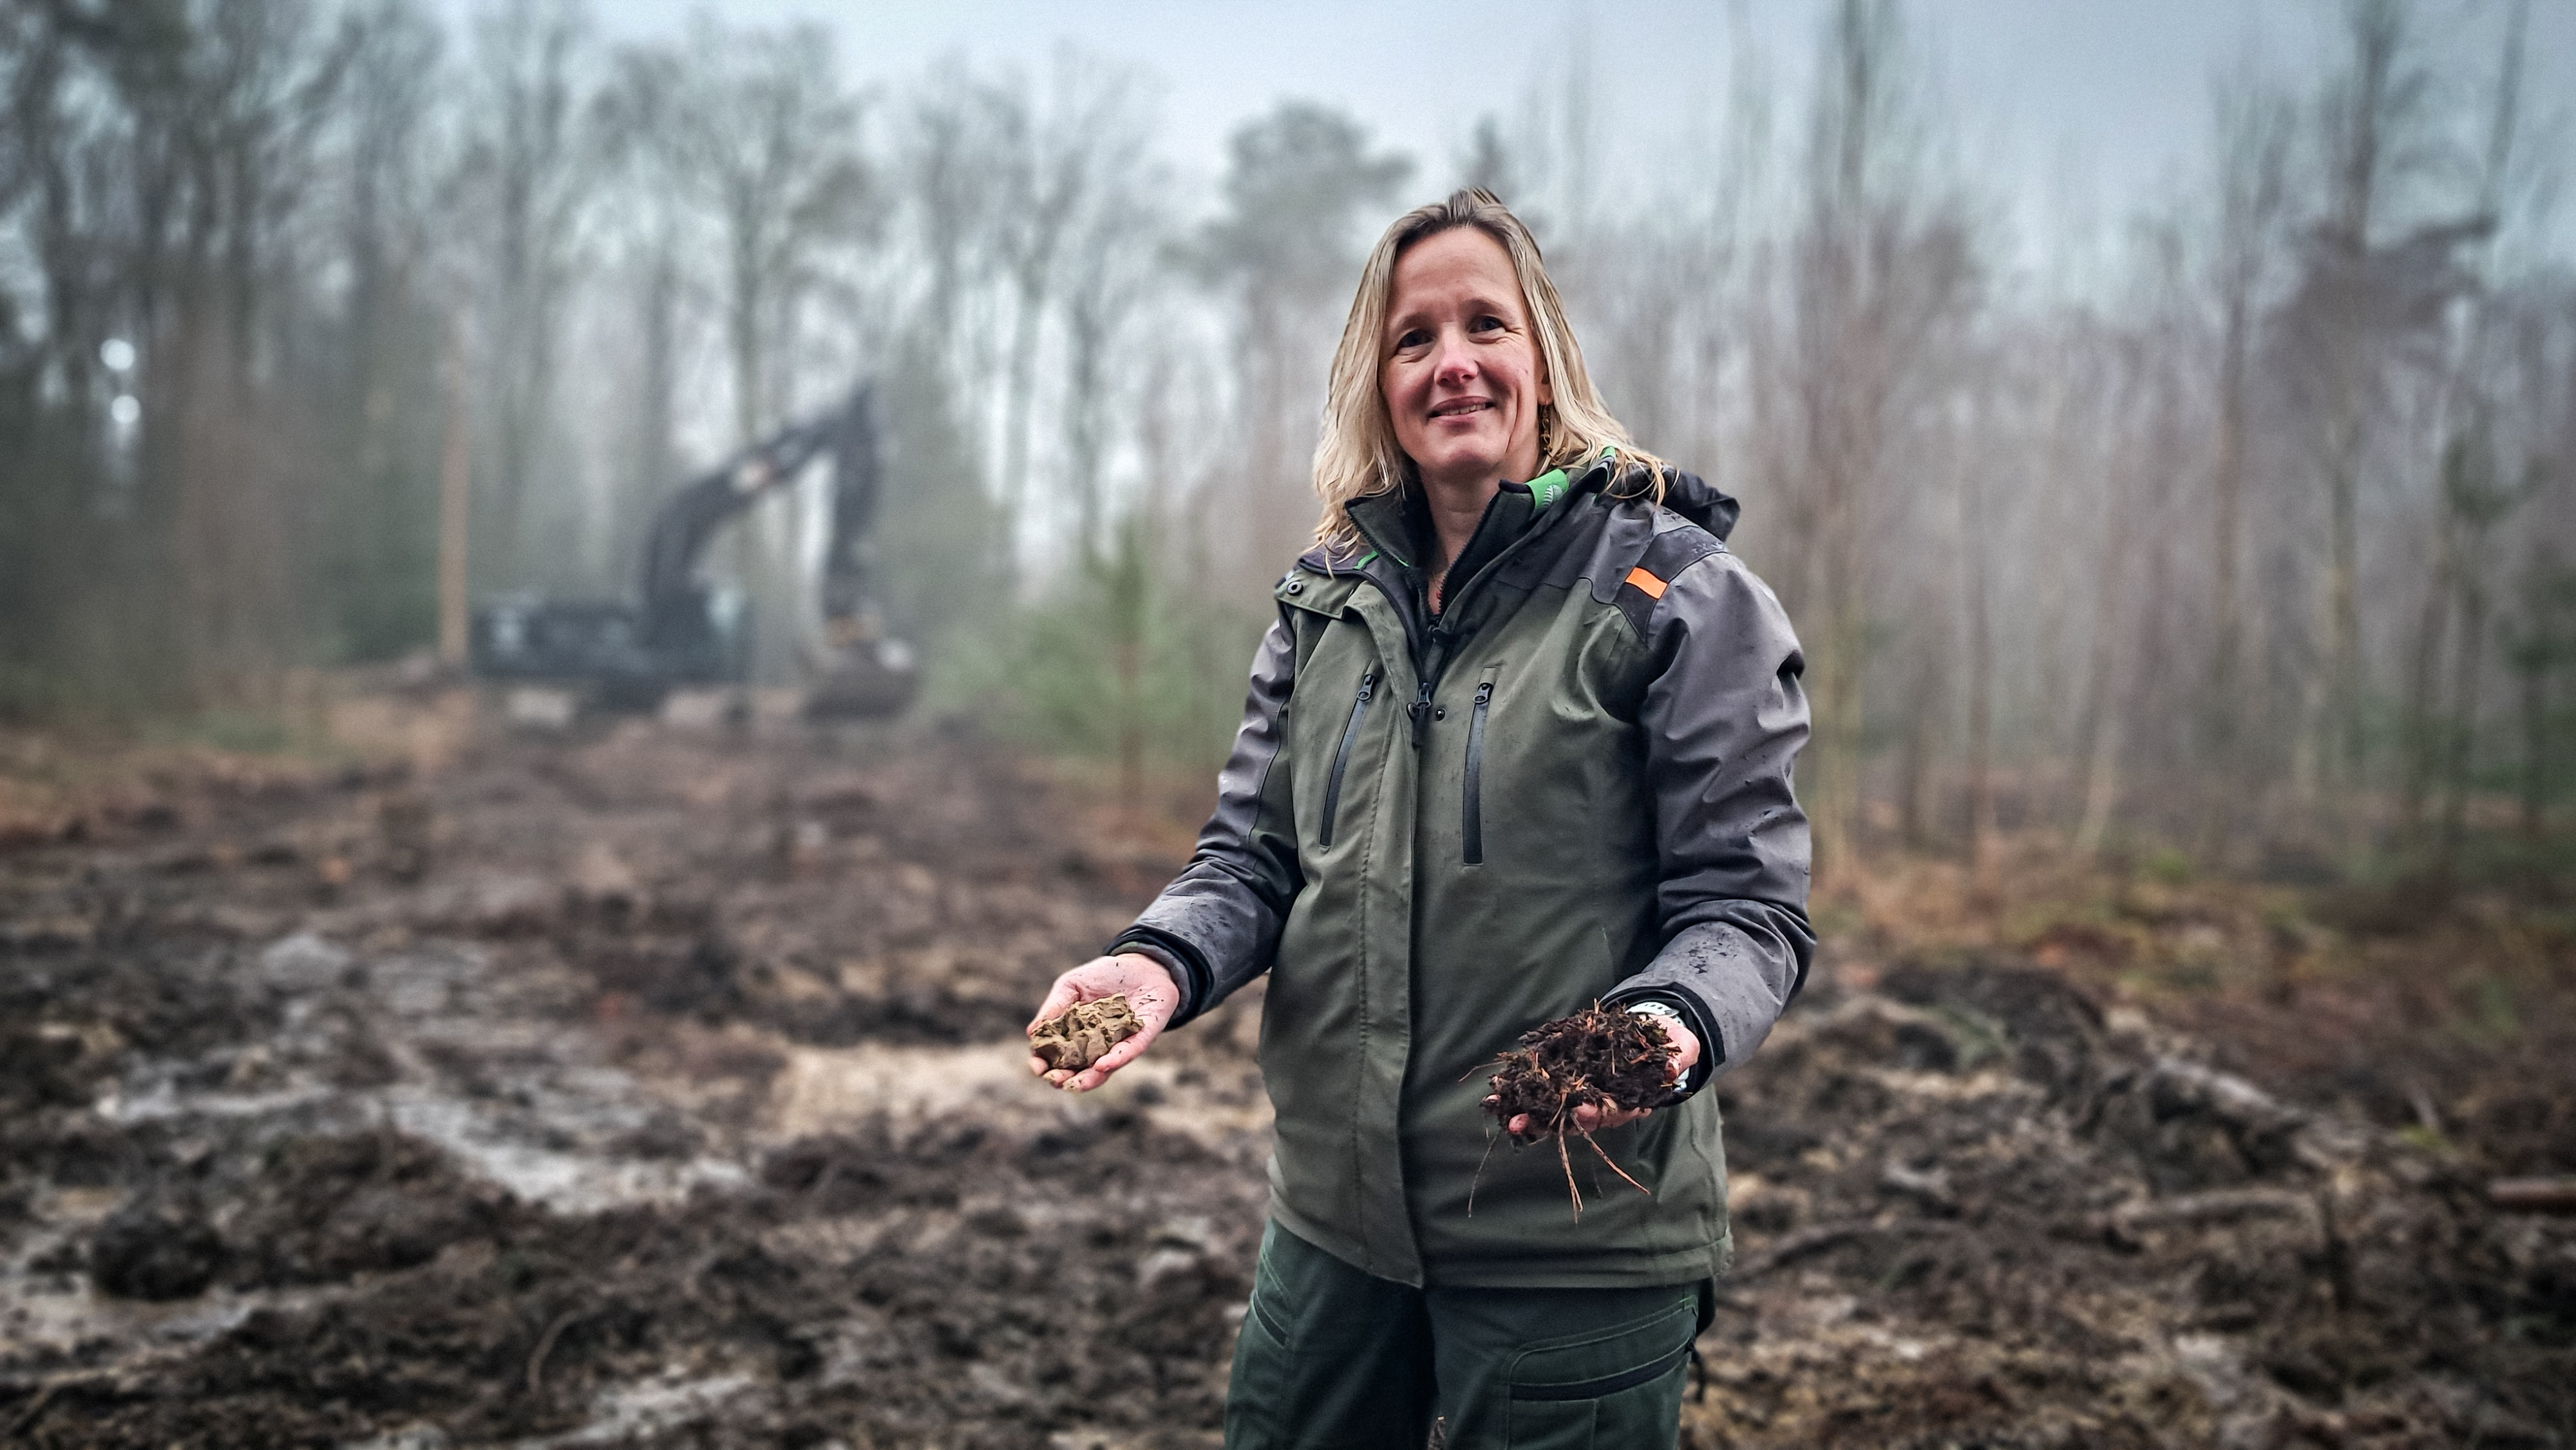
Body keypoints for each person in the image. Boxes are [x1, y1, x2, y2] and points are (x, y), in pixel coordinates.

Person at [1027, 189, 1813, 1449]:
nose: (1452, 362)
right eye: (1413, 338)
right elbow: (1254, 859)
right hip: (1334, 1234)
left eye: (1485, 325)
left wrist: (1663, 1028)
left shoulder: (1675, 596)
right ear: (1376, 383)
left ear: (1543, 357)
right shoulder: (1325, 602)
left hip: (1570, 1243)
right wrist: (1159, 960)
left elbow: (1746, 908)